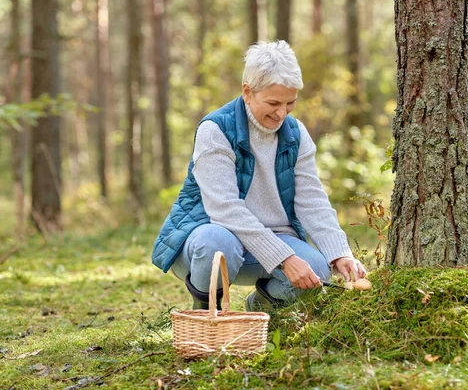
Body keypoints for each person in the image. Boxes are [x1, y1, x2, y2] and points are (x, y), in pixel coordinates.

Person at [151, 40, 367, 311]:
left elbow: (312, 201)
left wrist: (339, 254)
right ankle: (206, 313)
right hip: (207, 241)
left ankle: (260, 311)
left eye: (290, 103)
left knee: (317, 270)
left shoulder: (296, 134)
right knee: (217, 242)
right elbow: (225, 210)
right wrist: (285, 259)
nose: (281, 113)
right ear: (247, 92)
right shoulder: (215, 130)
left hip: (271, 240)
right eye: (274, 102)